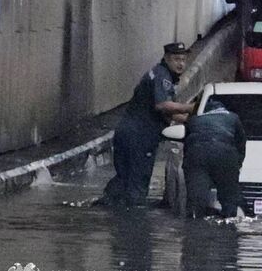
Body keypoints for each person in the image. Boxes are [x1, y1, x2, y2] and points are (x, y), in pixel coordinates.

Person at [100, 42, 195, 206]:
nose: (181, 64)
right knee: (138, 181)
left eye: (183, 60)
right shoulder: (162, 76)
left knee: (125, 178)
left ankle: (106, 207)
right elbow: (162, 105)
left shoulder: (159, 74)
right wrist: (191, 108)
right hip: (140, 138)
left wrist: (191, 119)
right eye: (176, 59)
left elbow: (165, 111)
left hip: (128, 133)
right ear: (166, 58)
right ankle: (135, 222)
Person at [182, 100, 246, 218]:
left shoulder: (193, 120)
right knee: (229, 198)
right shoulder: (233, 118)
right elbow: (241, 143)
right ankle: (229, 222)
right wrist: (237, 163)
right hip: (225, 154)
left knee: (196, 200)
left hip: (197, 155)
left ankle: (193, 227)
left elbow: (187, 147)